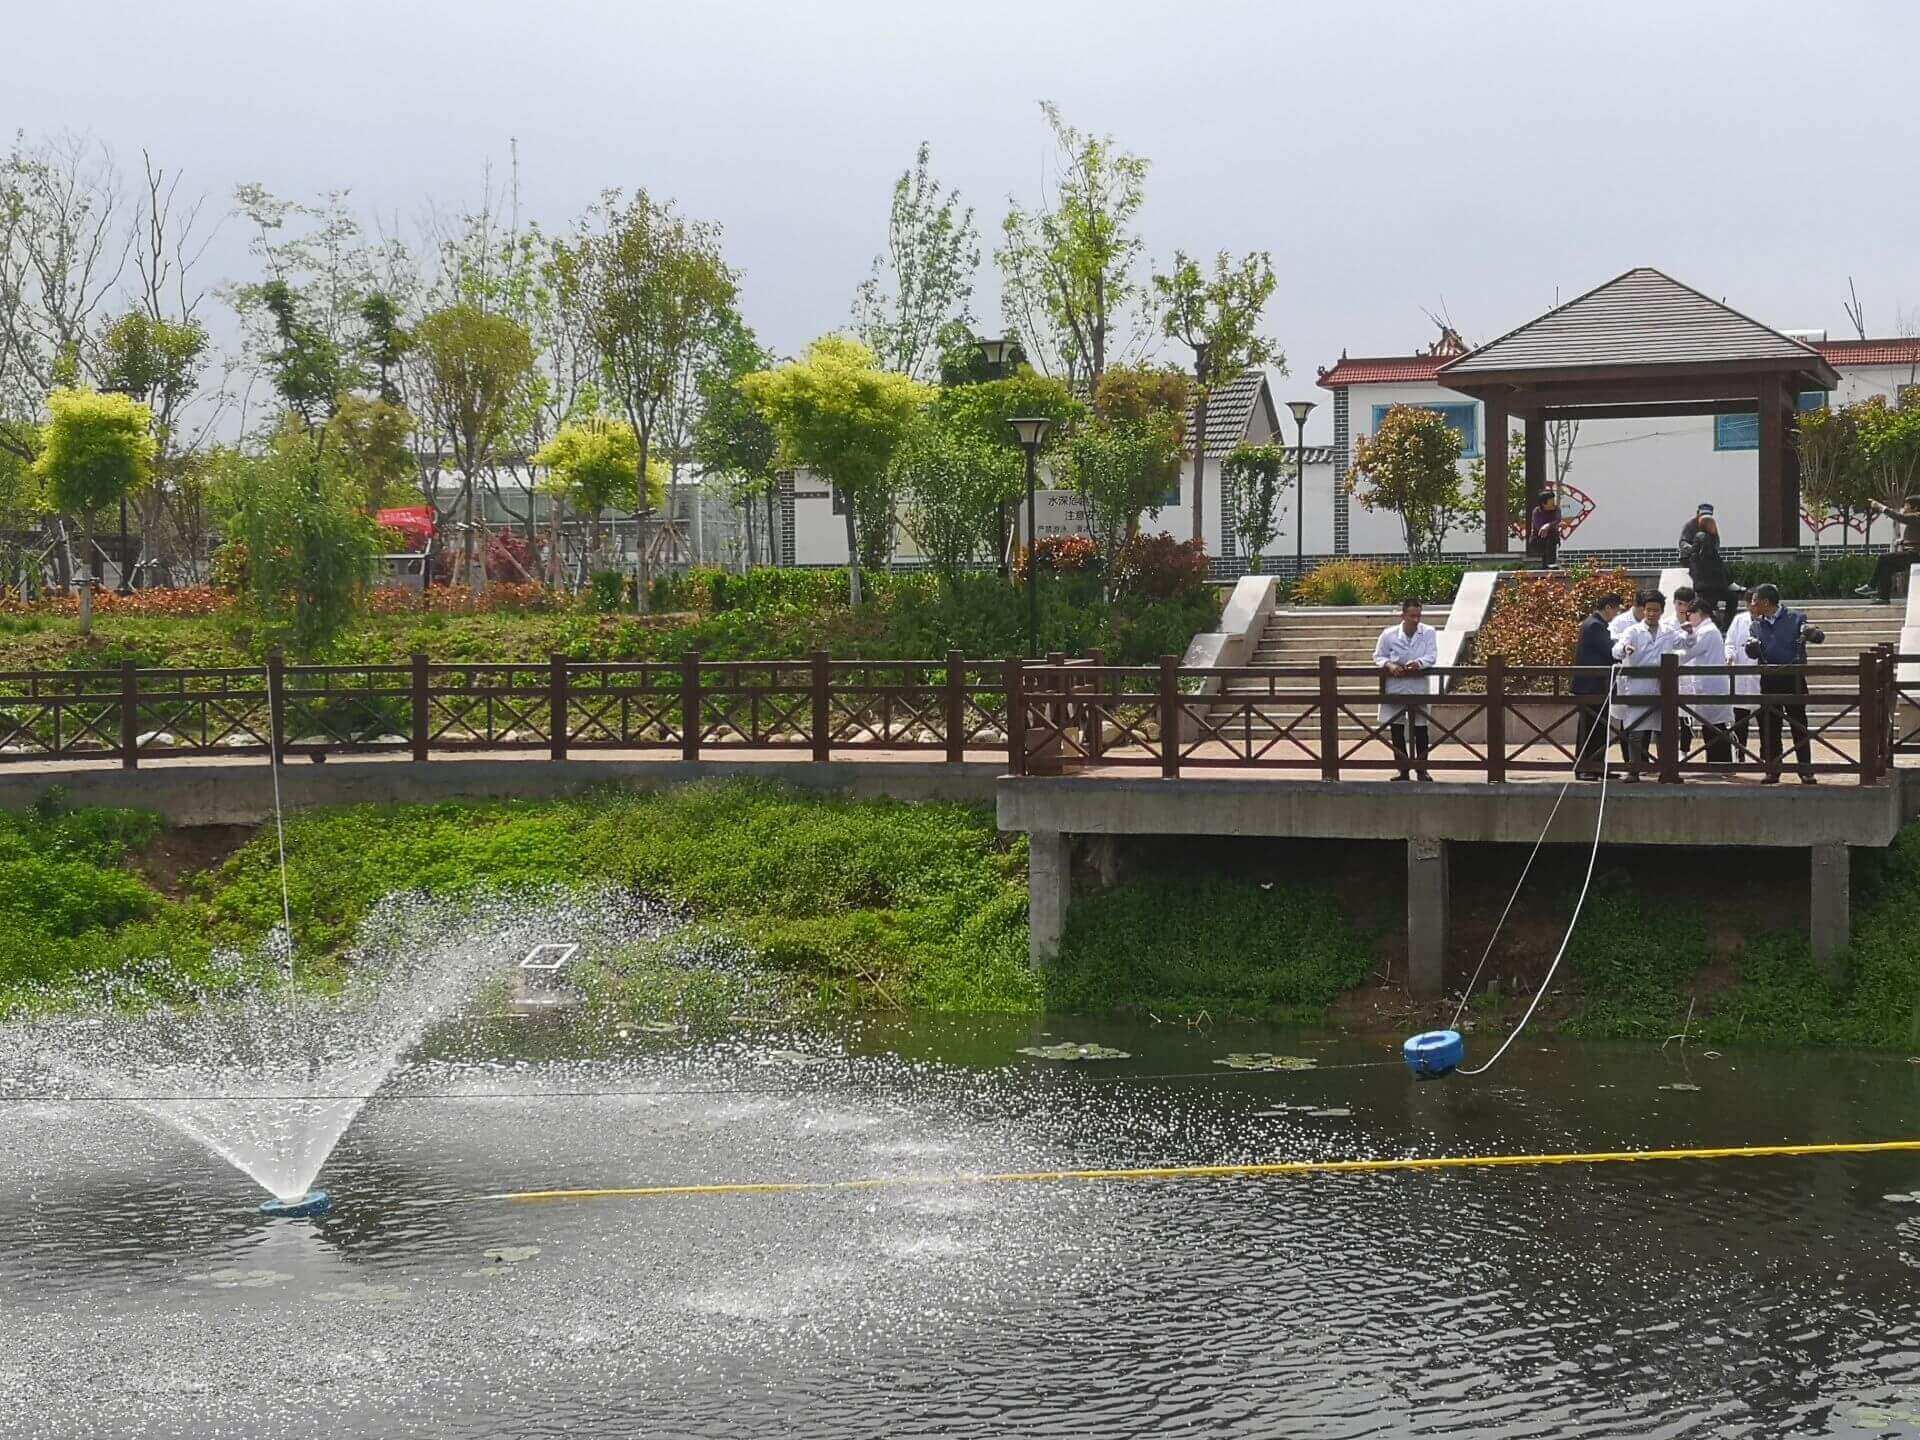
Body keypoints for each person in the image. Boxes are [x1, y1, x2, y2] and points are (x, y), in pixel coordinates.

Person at [1612, 589, 1697, 782]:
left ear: (1661, 611)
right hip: (1638, 685)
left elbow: (1686, 643)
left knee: (1663, 730)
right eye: (1648, 610)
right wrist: (1625, 649)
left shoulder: (1667, 631)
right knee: (1636, 730)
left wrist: (1690, 632)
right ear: (1643, 610)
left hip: (1662, 686)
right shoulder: (1633, 631)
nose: (1652, 614)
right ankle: (1634, 770)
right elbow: (1617, 649)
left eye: (1656, 610)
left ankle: (1664, 770)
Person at [1746, 583, 1825, 785]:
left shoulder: (1796, 618)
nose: (1752, 604)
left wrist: (1812, 633)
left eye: (1755, 600)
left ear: (1765, 602)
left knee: (1799, 724)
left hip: (1794, 678)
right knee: (1770, 726)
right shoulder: (1756, 625)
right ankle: (1773, 769)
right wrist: (1751, 648)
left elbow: (1818, 637)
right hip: (1769, 679)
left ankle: (1805, 769)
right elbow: (1751, 651)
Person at [1374, 597, 1438, 781]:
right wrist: (1389, 665)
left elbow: (1432, 655)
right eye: (1412, 616)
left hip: (1418, 685)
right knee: (1397, 728)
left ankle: (1422, 769)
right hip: (1396, 685)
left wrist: (1419, 663)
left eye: (1418, 615)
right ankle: (1402, 769)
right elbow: (1378, 656)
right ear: (1403, 615)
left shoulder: (1428, 632)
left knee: (1420, 728)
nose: (1416, 620)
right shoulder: (1389, 634)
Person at [1672, 587, 1733, 765]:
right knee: (1711, 727)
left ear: (1700, 613)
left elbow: (1687, 653)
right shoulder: (1704, 630)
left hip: (1711, 685)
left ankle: (1721, 764)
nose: (1688, 616)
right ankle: (1716, 764)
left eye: (1690, 613)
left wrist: (1665, 658)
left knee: (1715, 728)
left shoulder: (1707, 631)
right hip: (1707, 685)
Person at [1572, 592, 1623, 780]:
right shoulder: (1594, 626)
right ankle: (1585, 767)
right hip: (1590, 685)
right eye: (1616, 609)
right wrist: (1624, 645)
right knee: (1589, 729)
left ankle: (1598, 766)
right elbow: (1610, 651)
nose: (1616, 614)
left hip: (1596, 685)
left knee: (1600, 728)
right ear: (1608, 607)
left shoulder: (1594, 624)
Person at [1857, 494, 1920, 604]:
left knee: (1883, 558)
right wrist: (1902, 541)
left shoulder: (1917, 516)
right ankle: (1883, 598)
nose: (1903, 508)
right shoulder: (1915, 520)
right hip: (1911, 554)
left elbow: (1900, 518)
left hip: (1916, 555)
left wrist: (1881, 507)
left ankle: (1871, 585)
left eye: (1906, 506)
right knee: (1887, 567)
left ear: (1915, 508)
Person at [1725, 588, 1763, 760]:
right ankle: (1740, 755)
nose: (1752, 607)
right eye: (1750, 603)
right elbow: (1730, 643)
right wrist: (1730, 656)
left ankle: (1767, 757)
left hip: (1762, 679)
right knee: (1740, 721)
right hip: (1741, 677)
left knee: (1766, 722)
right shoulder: (1740, 620)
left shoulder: (1767, 622)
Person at [1685, 513, 1736, 632]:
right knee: (1712, 606)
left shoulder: (1705, 539)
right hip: (1710, 585)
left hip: (1711, 584)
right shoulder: (1704, 538)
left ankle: (1721, 627)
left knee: (1729, 600)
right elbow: (1711, 562)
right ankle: (1720, 627)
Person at [1527, 490, 1562, 569]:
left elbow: (1558, 520)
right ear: (1543, 503)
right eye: (1551, 501)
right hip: (1538, 539)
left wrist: (1548, 525)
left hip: (1552, 538)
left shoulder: (1557, 509)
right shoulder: (1537, 512)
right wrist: (1549, 527)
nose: (1554, 502)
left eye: (1553, 500)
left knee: (1553, 537)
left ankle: (1550, 563)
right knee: (1548, 536)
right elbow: (1540, 529)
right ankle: (1548, 564)